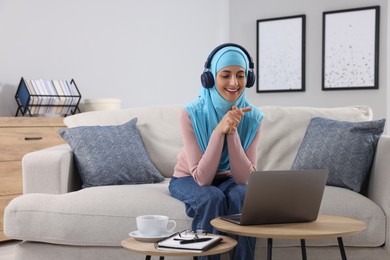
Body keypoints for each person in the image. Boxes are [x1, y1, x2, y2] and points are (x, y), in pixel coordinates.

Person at [169, 43, 264, 260]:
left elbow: (245, 179)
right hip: (188, 177)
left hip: (230, 178)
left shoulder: (254, 117)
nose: (234, 83)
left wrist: (232, 132)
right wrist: (218, 131)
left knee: (243, 194)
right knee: (212, 197)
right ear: (210, 78)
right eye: (225, 75)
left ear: (248, 79)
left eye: (240, 75)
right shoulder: (190, 113)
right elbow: (202, 178)